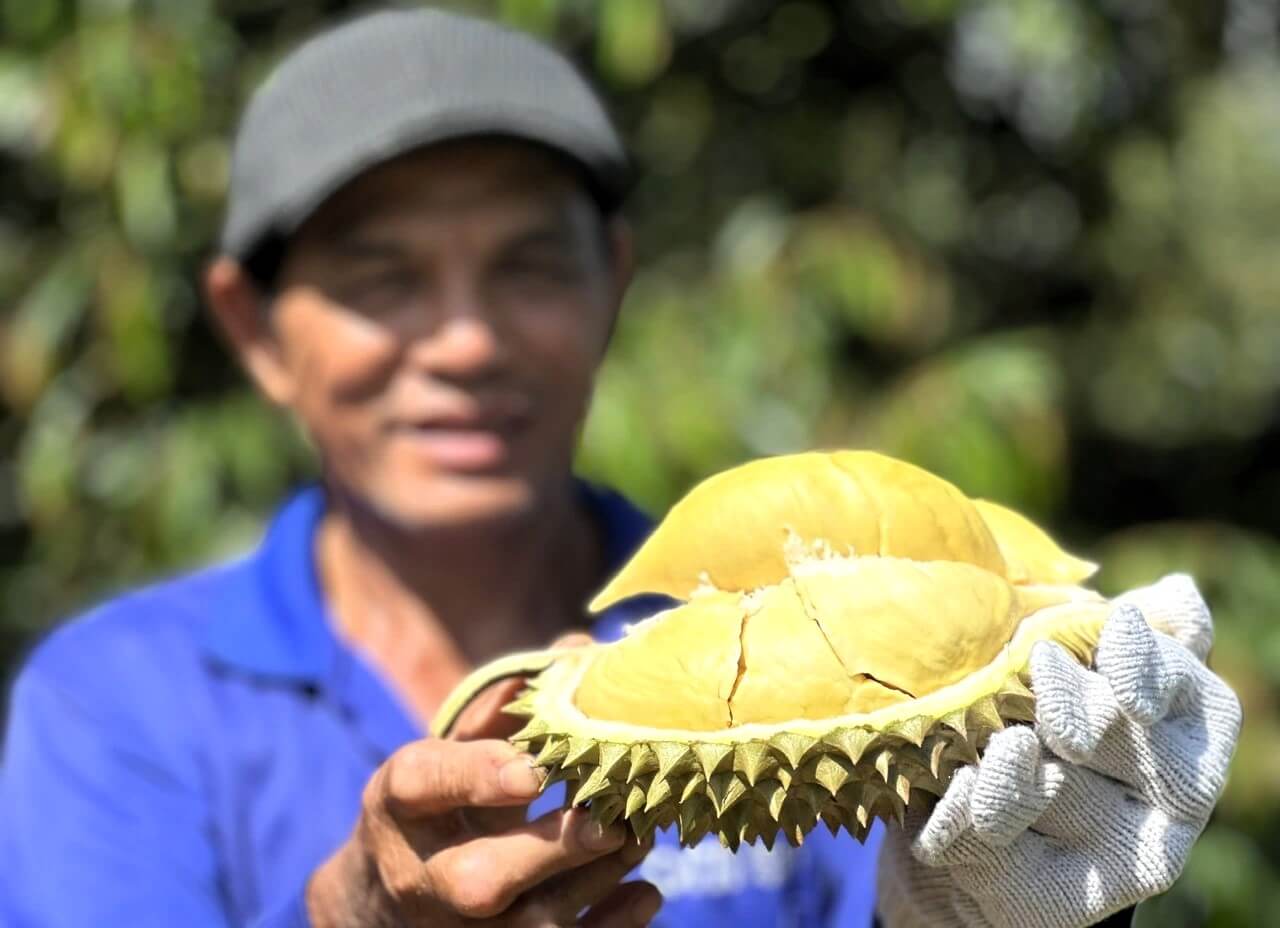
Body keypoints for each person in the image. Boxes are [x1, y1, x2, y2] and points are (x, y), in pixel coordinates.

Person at [0, 8, 1241, 928]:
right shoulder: (111, 706)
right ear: (256, 331)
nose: (466, 341)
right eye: (380, 277)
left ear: (612, 286)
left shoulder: (758, 647)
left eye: (530, 264)